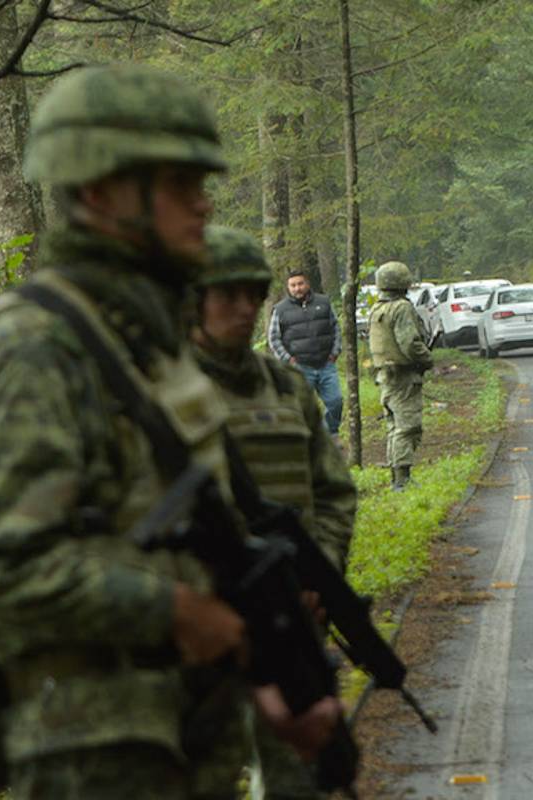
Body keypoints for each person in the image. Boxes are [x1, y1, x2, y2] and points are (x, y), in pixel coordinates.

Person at [0, 64, 338, 800]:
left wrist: (262, 676)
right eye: (177, 183)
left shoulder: (141, 345)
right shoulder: (37, 346)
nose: (203, 203)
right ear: (98, 191)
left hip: (180, 740)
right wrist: (176, 614)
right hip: (88, 756)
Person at [191, 226, 357, 799]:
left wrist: (321, 572)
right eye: (225, 294)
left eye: (252, 295)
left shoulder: (287, 391)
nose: (242, 308)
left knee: (296, 776)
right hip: (197, 631)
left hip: (292, 615)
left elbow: (333, 492)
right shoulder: (159, 392)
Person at [368, 261, 433, 490]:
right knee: (407, 427)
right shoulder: (401, 308)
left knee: (394, 428)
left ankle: (397, 478)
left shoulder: (378, 309)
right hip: (403, 376)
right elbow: (410, 343)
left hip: (386, 376)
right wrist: (427, 359)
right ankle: (401, 481)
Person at [267, 272, 343, 438]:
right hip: (299, 367)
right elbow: (273, 338)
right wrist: (288, 360)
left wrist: (335, 352)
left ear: (307, 284)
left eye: (300, 284)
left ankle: (330, 433)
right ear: (288, 288)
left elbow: (335, 328)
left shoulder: (324, 302)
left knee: (336, 402)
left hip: (326, 364)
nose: (297, 288)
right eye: (293, 285)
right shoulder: (280, 309)